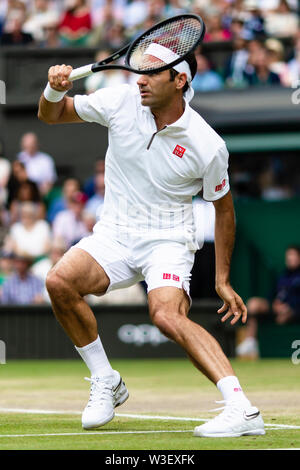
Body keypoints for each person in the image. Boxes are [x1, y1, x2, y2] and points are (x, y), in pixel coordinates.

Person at [37, 45, 265, 438]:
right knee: (59, 282)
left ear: (180, 81)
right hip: (114, 232)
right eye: (139, 72)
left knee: (165, 315)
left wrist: (222, 279)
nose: (139, 79)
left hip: (169, 239)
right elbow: (51, 114)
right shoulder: (121, 100)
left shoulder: (207, 144)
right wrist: (54, 89)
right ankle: (106, 380)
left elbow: (224, 211)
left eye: (152, 73)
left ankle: (242, 409)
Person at [237, 245, 300, 358]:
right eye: (288, 255)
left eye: (293, 255)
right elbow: (272, 294)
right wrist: (274, 304)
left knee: (283, 318)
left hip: (293, 311)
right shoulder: (283, 275)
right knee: (253, 304)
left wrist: (289, 307)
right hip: (276, 308)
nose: (290, 258)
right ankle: (250, 340)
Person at [17, 132, 57, 196]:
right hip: (23, 195)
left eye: (32, 144)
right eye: (27, 145)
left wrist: (40, 194)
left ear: (37, 144)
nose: (30, 147)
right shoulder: (19, 158)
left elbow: (50, 181)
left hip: (41, 194)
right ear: (23, 145)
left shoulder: (46, 159)